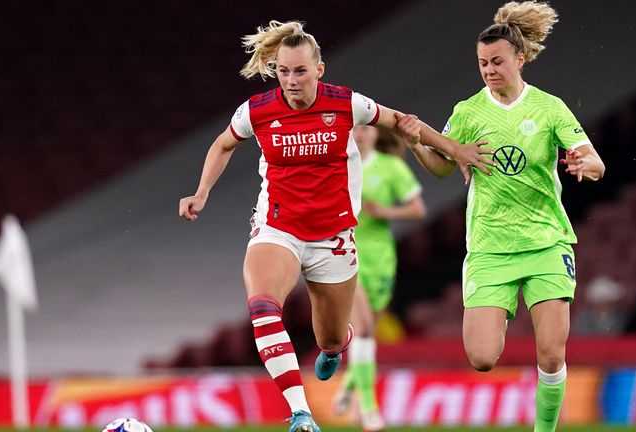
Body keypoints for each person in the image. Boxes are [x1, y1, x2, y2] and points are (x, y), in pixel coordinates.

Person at [178, 20, 484, 432]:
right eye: (283, 71)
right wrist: (201, 192)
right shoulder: (257, 110)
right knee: (263, 306)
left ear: (319, 69)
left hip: (333, 239)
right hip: (277, 228)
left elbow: (404, 122)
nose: (291, 80)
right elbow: (223, 143)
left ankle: (338, 345)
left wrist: (453, 148)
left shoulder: (347, 104)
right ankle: (300, 413)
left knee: (329, 338)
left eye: (300, 71)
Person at [395, 2, 605, 431]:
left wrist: (585, 165)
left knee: (551, 353)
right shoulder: (468, 113)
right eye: (482, 63)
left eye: (496, 62)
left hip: (546, 242)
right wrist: (417, 145)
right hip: (490, 248)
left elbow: (596, 162)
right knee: (482, 357)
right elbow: (442, 167)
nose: (489, 70)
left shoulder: (549, 108)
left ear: (519, 59)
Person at [331, 126, 426, 431]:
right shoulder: (336, 163)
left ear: (375, 134)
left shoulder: (391, 167)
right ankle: (369, 410)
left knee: (366, 333)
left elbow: (417, 209)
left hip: (380, 258)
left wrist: (384, 210)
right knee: (366, 330)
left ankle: (350, 383)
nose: (359, 134)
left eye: (365, 128)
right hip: (344, 255)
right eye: (353, 128)